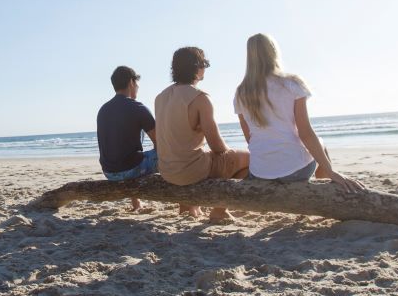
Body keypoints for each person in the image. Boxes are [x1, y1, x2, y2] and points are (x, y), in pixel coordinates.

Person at [234, 33, 362, 192]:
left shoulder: (241, 92)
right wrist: (331, 171)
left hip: (260, 172)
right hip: (295, 171)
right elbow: (305, 133)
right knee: (321, 144)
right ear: (273, 52)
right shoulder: (291, 83)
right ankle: (323, 191)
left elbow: (250, 139)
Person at [153, 47, 250, 223]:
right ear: (197, 67)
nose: (205, 68)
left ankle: (187, 205)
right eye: (204, 64)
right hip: (189, 171)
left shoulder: (161, 97)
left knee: (195, 155)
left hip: (167, 170)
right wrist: (231, 154)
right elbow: (217, 146)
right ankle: (220, 209)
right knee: (249, 160)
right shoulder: (200, 98)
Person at [97, 66, 157, 210]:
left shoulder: (103, 110)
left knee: (129, 149)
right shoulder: (138, 107)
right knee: (172, 154)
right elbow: (160, 143)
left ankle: (136, 203)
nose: (137, 88)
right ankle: (185, 204)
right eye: (137, 84)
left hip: (109, 172)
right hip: (130, 170)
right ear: (131, 82)